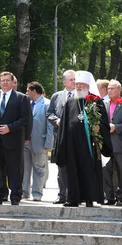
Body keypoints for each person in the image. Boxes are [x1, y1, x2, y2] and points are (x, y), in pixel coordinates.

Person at [55, 71, 112, 207]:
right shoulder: (70, 102)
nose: (79, 87)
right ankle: (73, 198)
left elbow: (104, 122)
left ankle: (89, 198)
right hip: (72, 144)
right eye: (77, 84)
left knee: (88, 170)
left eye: (82, 84)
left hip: (89, 144)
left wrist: (99, 127)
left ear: (88, 86)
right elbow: (63, 124)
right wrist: (62, 144)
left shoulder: (95, 101)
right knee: (72, 171)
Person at [0, 71, 31, 205]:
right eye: (2, 80)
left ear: (12, 82)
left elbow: (25, 118)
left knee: (15, 168)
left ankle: (15, 196)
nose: (4, 82)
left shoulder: (21, 98)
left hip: (14, 139)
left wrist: (10, 127)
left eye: (7, 80)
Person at [47, 69, 76, 204]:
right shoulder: (56, 96)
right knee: (61, 167)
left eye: (75, 79)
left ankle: (75, 194)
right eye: (71, 79)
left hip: (76, 137)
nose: (74, 82)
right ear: (64, 82)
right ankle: (62, 194)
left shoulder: (81, 95)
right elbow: (49, 113)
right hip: (60, 137)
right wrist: (57, 121)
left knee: (75, 166)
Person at [22, 82, 53, 201]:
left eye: (28, 91)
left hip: (40, 142)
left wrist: (49, 143)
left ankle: (37, 193)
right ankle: (25, 192)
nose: (26, 93)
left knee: (39, 169)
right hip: (26, 142)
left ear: (34, 91)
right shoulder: (27, 104)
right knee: (24, 168)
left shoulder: (47, 104)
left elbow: (50, 126)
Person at [102, 80, 122, 205]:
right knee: (106, 171)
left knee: (121, 172)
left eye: (112, 88)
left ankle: (121, 198)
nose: (109, 91)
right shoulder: (104, 104)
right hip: (106, 144)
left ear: (119, 90)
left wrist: (116, 127)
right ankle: (109, 197)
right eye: (108, 88)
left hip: (120, 144)